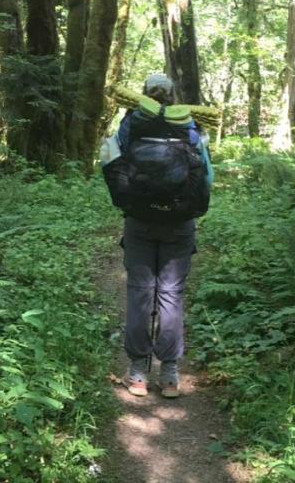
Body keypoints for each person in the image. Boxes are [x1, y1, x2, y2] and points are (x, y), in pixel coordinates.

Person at [101, 71, 207, 399]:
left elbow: (110, 162)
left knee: (140, 293)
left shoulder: (132, 123)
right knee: (171, 295)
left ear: (144, 94)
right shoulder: (188, 123)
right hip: (179, 222)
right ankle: (170, 374)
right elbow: (205, 174)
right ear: (172, 96)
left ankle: (137, 372)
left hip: (139, 220)